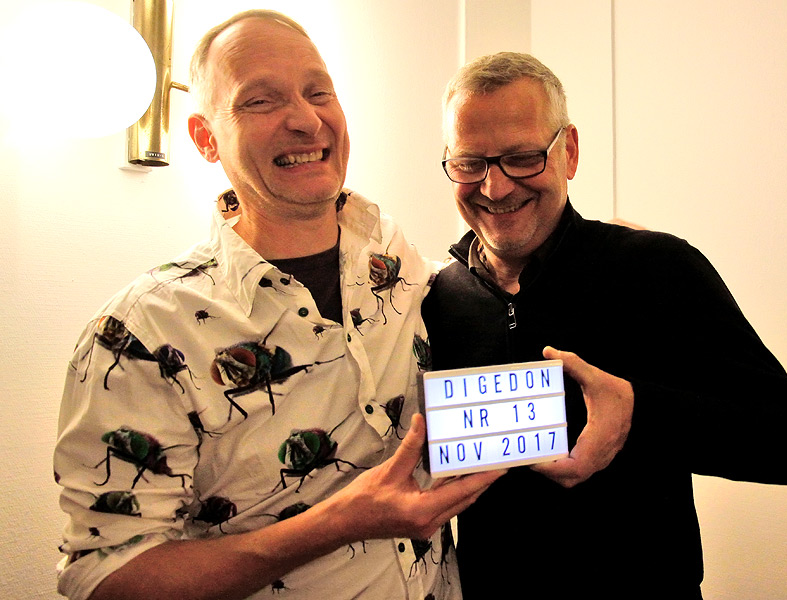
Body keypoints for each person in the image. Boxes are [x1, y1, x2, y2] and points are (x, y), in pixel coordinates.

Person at [53, 11, 501, 600]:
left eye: (319, 93)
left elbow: (493, 290)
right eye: (260, 101)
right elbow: (104, 578)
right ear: (205, 138)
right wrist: (335, 524)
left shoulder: (392, 255)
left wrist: (609, 253)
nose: (306, 120)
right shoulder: (141, 333)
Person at [422, 52, 787, 598]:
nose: (495, 188)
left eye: (521, 158)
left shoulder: (655, 268)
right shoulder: (433, 301)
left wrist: (637, 413)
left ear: (568, 152)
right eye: (471, 163)